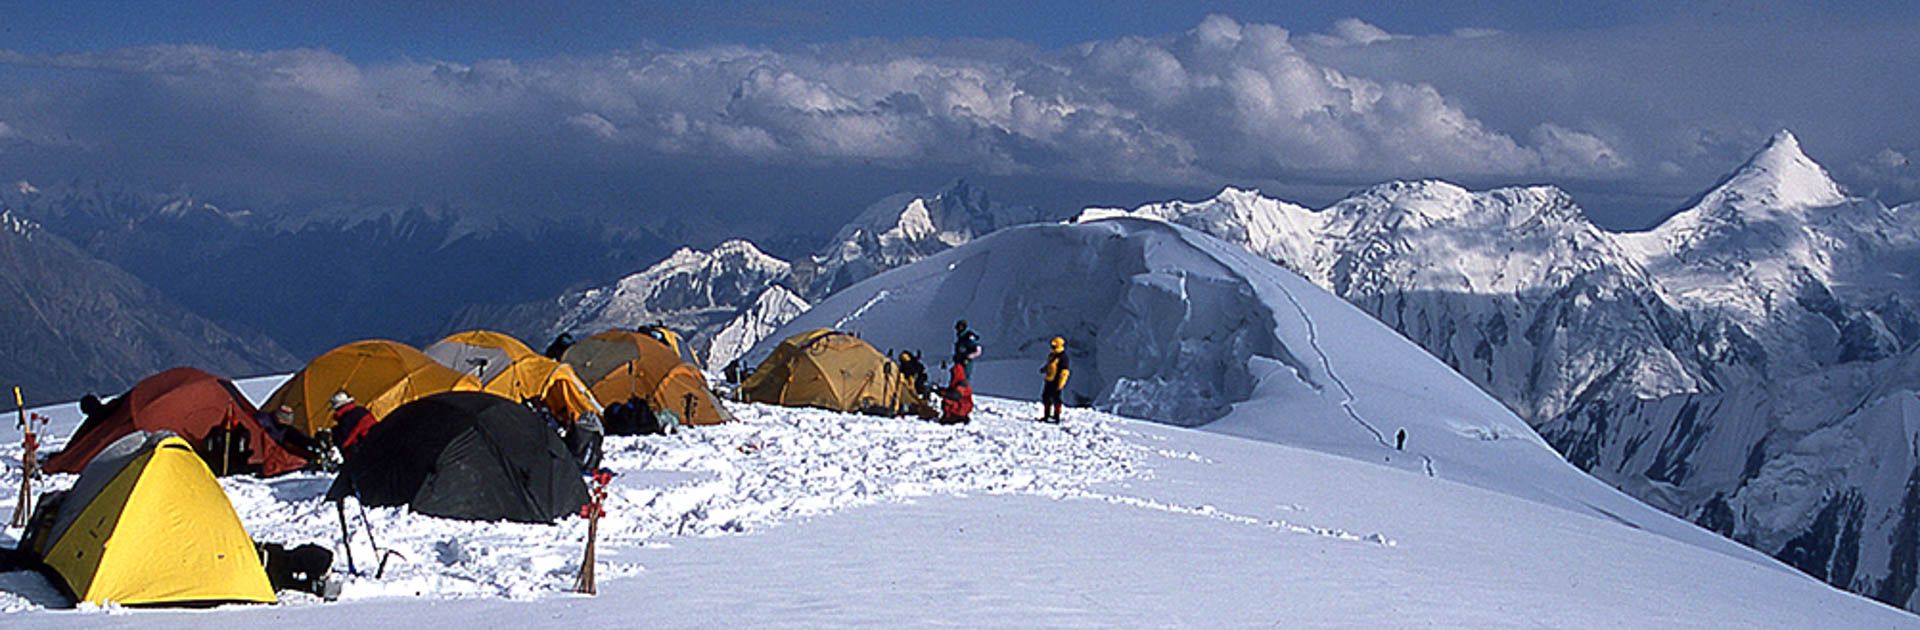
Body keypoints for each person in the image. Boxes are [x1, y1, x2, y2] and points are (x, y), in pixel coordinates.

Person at [328, 391, 377, 456]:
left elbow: (345, 442)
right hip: (377, 440)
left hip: (366, 449)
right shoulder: (361, 410)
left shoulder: (346, 420)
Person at [1039, 336, 1071, 422]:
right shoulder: (1052, 355)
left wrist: (1061, 383)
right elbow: (1050, 365)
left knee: (1056, 398)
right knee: (1046, 397)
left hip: (1056, 381)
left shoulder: (1063, 357)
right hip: (1049, 379)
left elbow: (1065, 371)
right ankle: (1047, 415)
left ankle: (1056, 416)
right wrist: (1045, 369)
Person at [939, 360, 973, 425]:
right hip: (961, 408)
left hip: (961, 408)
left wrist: (943, 393)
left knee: (947, 401)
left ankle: (954, 417)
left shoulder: (962, 384)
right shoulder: (957, 382)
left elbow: (955, 395)